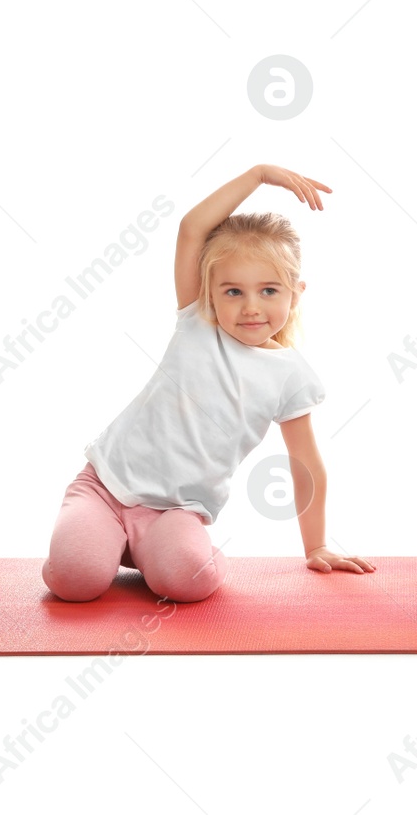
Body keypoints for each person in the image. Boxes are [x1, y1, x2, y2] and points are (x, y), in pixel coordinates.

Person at [42, 164, 376, 602]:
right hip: (106, 488)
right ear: (210, 291)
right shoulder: (197, 320)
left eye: (270, 290)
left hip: (176, 512)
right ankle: (106, 542)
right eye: (233, 291)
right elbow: (191, 228)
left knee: (190, 583)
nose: (251, 307)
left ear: (296, 292)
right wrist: (259, 176)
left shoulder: (292, 376)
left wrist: (315, 546)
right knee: (74, 580)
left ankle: (152, 550)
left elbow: (306, 464)